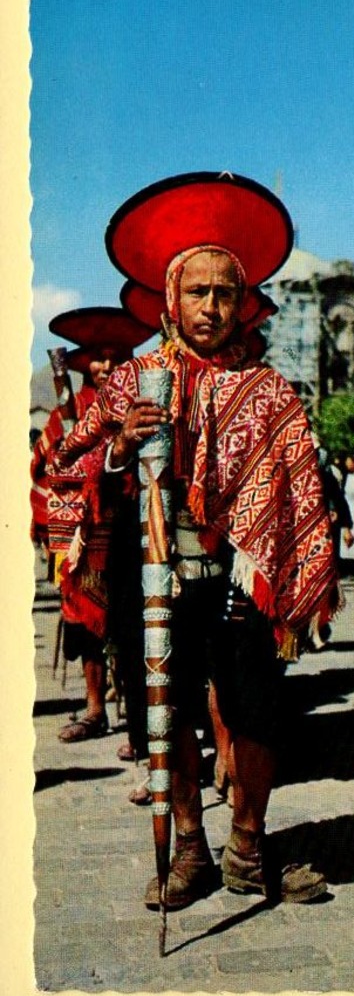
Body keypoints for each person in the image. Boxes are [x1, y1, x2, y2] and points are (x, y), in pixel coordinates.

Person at [53, 171, 339, 909]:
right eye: (197, 291)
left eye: (224, 292)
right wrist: (121, 443)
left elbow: (302, 489)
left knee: (254, 712)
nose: (211, 306)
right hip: (155, 575)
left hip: (242, 580)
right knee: (164, 711)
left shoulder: (273, 391)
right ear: (170, 299)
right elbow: (73, 463)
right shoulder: (136, 379)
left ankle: (247, 846)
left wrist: (298, 571)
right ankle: (189, 849)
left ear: (242, 302)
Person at [32, 306, 154, 744]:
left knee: (130, 625)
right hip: (80, 537)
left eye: (117, 357)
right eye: (98, 358)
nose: (106, 367)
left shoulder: (140, 410)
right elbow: (45, 468)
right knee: (84, 625)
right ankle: (95, 708)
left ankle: (137, 718)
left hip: (127, 533)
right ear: (84, 364)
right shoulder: (68, 411)